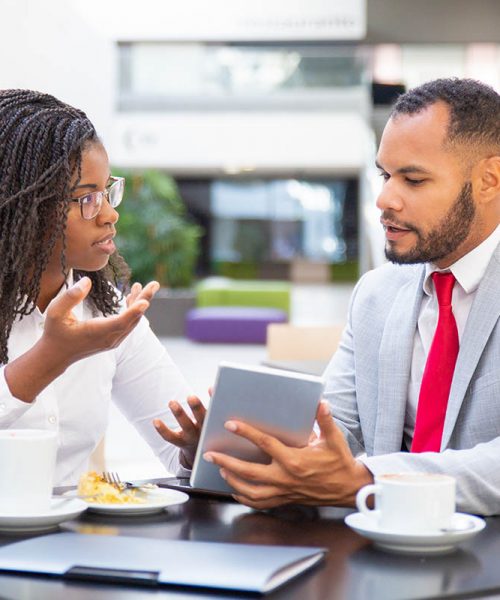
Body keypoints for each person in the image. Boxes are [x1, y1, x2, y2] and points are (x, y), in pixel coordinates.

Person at [202, 78, 500, 516]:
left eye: (413, 180)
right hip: (372, 557)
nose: (384, 199)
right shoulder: (376, 295)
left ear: (489, 180)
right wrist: (236, 448)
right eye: (384, 175)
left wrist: (369, 481)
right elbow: (337, 432)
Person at [0, 89, 204, 486]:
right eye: (87, 198)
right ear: (22, 204)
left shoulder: (106, 312)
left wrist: (195, 448)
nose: (110, 214)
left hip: (73, 542)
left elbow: (176, 443)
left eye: (108, 191)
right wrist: (49, 358)